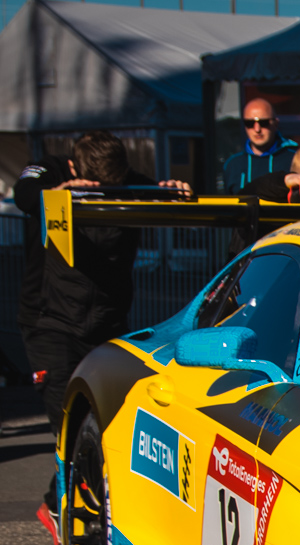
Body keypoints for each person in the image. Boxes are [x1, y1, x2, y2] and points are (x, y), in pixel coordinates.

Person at [14, 131, 190, 434]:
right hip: (50, 323)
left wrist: (173, 190)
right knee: (68, 421)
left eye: (111, 187)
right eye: (96, 186)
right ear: (74, 168)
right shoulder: (50, 171)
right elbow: (24, 193)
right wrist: (57, 193)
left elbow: (163, 194)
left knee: (111, 421)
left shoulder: (126, 180)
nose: (104, 191)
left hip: (107, 322)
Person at [221, 98, 298, 194]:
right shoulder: (232, 165)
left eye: (263, 122)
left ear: (276, 124)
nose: (257, 129)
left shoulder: (294, 160)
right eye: (250, 123)